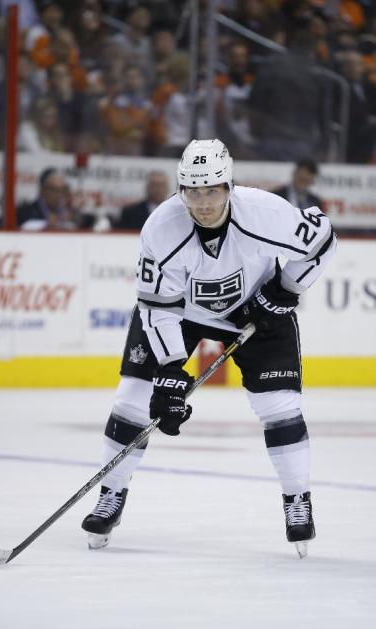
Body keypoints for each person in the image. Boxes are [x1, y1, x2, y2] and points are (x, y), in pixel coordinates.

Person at [81, 139, 336, 557]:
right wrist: (168, 369)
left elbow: (321, 240)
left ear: (229, 186)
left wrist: (284, 290)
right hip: (180, 313)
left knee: (280, 406)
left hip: (256, 310)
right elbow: (157, 305)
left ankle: (297, 499)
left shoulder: (266, 213)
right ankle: (111, 493)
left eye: (212, 191)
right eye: (192, 192)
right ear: (181, 190)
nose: (202, 203)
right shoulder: (161, 228)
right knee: (132, 399)